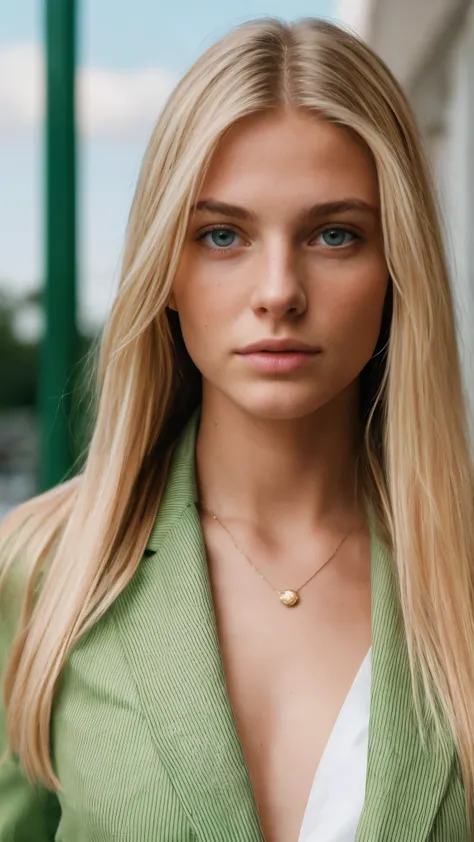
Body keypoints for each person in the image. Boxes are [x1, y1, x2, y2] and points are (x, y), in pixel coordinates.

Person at [1, 15, 473, 842]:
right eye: (223, 235)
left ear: (398, 264)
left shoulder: (461, 572)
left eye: (335, 234)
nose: (279, 290)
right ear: (167, 270)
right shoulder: (44, 573)